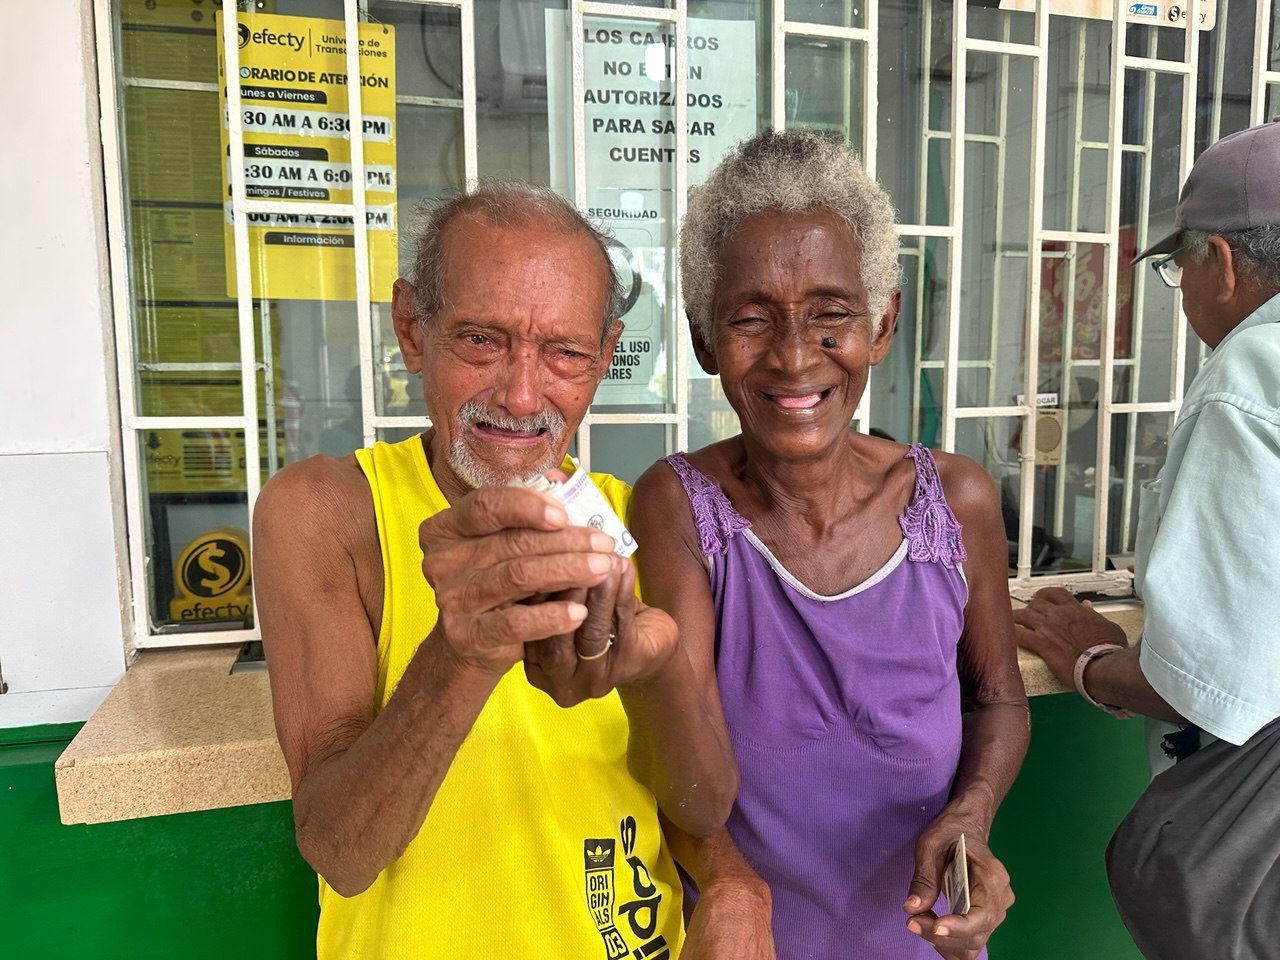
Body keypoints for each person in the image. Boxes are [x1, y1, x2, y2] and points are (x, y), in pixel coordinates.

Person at [251, 179, 741, 959]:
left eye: (566, 353)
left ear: (606, 356)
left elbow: (704, 805)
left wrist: (656, 675)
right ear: (412, 329)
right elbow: (340, 852)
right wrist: (465, 650)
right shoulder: (327, 515)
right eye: (481, 339)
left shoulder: (638, 519)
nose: (520, 395)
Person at [630, 130, 1030, 960]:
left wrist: (970, 818)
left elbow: (995, 699)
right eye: (750, 319)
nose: (793, 355)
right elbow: (688, 780)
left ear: (880, 325)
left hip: (927, 940)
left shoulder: (955, 501)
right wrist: (732, 883)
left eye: (830, 314)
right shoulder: (677, 507)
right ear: (706, 341)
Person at [1013, 121, 1280, 957]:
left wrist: (1090, 659)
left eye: (1178, 267)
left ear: (1224, 265)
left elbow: (1207, 685)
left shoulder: (1249, 377)